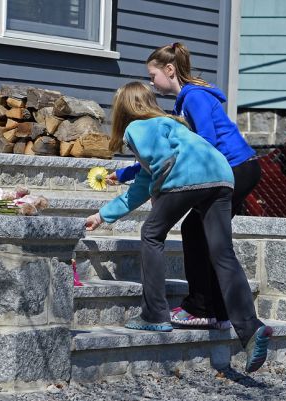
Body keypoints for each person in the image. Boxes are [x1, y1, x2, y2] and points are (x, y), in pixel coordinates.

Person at [85, 82, 272, 373]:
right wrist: (104, 215)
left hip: (189, 178)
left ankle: (155, 315)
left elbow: (159, 169)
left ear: (123, 109)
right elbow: (145, 181)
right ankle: (250, 329)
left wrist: (158, 197)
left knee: (151, 234)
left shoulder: (137, 129)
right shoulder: (174, 124)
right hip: (222, 176)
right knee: (222, 254)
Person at [107, 42, 261, 330]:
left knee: (201, 233)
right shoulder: (185, 101)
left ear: (169, 70)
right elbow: (180, 153)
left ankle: (203, 307)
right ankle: (217, 311)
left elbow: (207, 145)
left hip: (236, 167)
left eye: (153, 76)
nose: (152, 83)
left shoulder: (194, 98)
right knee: (202, 234)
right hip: (231, 170)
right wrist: (126, 173)